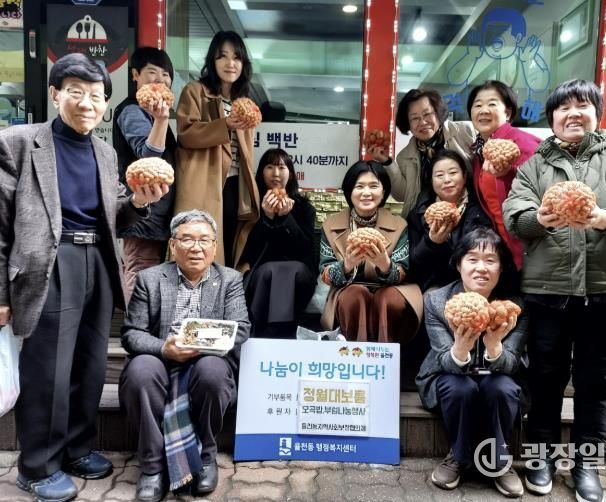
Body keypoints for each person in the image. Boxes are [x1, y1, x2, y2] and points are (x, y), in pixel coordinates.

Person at [0, 53, 167, 502]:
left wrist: (138, 203)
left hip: (98, 262)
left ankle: (77, 448)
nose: (87, 103)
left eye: (96, 95)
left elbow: (113, 214)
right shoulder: (16, 143)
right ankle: (37, 465)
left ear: (105, 103)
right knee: (48, 368)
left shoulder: (105, 153)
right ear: (55, 95)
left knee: (89, 363)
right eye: (75, 92)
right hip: (49, 263)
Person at [503, 79, 606, 502]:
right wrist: (541, 219)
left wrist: (603, 218)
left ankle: (587, 465)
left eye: (582, 105)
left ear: (597, 114)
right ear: (552, 118)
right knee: (544, 378)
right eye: (563, 108)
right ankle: (542, 458)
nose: (573, 114)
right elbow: (516, 214)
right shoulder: (534, 166)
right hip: (548, 289)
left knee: (596, 381)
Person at [119, 210, 250, 502]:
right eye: (187, 239)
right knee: (141, 370)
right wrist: (164, 348)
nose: (196, 247)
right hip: (161, 359)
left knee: (213, 371)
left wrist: (197, 345)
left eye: (204, 240)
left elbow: (240, 329)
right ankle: (152, 467)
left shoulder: (230, 280)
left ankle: (205, 457)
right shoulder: (150, 279)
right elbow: (131, 333)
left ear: (214, 246)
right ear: (172, 245)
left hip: (206, 359)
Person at [415, 228, 528, 498]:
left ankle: (499, 461)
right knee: (460, 388)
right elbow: (443, 358)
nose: (481, 268)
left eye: (490, 260)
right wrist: (460, 348)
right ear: (459, 264)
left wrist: (494, 345)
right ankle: (459, 456)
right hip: (448, 376)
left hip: (497, 378)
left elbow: (512, 363)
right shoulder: (437, 302)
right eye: (472, 259)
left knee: (501, 388)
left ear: (501, 267)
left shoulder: (514, 307)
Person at [175, 30, 260, 268]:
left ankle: (225, 291)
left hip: (235, 183)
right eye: (222, 56)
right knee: (200, 245)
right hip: (204, 182)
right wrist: (225, 124)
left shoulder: (244, 102)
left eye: (237, 57)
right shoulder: (195, 91)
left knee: (230, 245)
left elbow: (246, 152)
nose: (230, 63)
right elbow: (186, 134)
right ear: (212, 61)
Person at [319, 160, 422, 343]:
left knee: (388, 298)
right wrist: (347, 265)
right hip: (348, 290)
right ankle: (357, 354)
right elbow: (325, 274)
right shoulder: (331, 224)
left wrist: (385, 264)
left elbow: (402, 271)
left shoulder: (399, 224)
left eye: (374, 186)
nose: (366, 193)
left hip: (390, 288)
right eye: (359, 186)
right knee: (354, 294)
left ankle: (385, 354)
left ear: (383, 191)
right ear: (349, 191)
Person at [113, 46, 177, 293]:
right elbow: (148, 156)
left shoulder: (151, 112)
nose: (160, 79)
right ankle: (136, 319)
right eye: (152, 72)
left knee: (150, 274)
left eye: (166, 74)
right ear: (135, 75)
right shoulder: (132, 110)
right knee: (141, 272)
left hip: (154, 213)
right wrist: (161, 120)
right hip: (142, 213)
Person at [239, 148, 317, 338]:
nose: (276, 173)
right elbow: (248, 251)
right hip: (262, 274)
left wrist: (285, 219)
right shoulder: (250, 206)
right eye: (270, 167)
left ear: (290, 173)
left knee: (282, 271)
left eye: (282, 167)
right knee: (270, 271)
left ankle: (269, 336)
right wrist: (266, 218)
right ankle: (277, 336)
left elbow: (305, 250)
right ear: (261, 172)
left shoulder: (304, 207)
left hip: (299, 275)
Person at [368, 88, 476, 218]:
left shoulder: (466, 132)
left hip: (468, 216)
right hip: (424, 221)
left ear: (438, 113)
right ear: (407, 123)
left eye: (427, 114)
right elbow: (403, 195)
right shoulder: (405, 156)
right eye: (415, 118)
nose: (423, 122)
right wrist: (386, 162)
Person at [467, 80, 541, 269]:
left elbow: (543, 188)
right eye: (477, 105)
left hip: (531, 248)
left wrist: (509, 172)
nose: (483, 110)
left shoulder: (522, 143)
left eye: (492, 104)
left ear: (507, 113)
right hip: (503, 248)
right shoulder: (480, 151)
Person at [407, 150, 492, 292]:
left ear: (464, 176)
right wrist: (431, 242)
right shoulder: (418, 214)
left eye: (453, 173)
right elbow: (413, 265)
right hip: (435, 284)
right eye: (439, 175)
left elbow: (488, 251)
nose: (447, 180)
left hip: (474, 282)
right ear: (431, 180)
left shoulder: (481, 209)